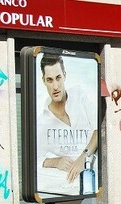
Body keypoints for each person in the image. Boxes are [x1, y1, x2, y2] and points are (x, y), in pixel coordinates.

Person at [37, 53, 98, 195]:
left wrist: (82, 158)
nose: (55, 86)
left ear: (64, 75)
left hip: (91, 182)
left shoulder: (80, 95)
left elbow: (97, 130)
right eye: (50, 80)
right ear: (44, 81)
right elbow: (34, 159)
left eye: (58, 78)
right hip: (61, 187)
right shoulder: (42, 121)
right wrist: (56, 162)